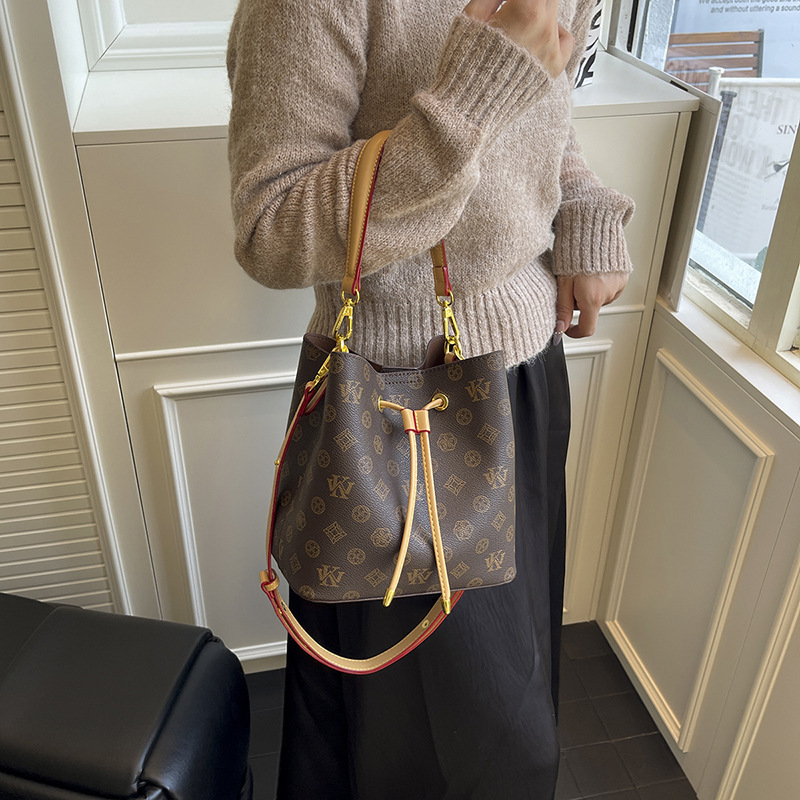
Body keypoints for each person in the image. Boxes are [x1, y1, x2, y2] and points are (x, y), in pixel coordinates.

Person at [227, 0, 634, 797]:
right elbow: (270, 228)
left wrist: (583, 208)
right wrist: (475, 92)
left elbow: (544, 122)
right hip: (399, 413)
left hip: (529, 375)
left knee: (507, 692)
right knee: (459, 752)